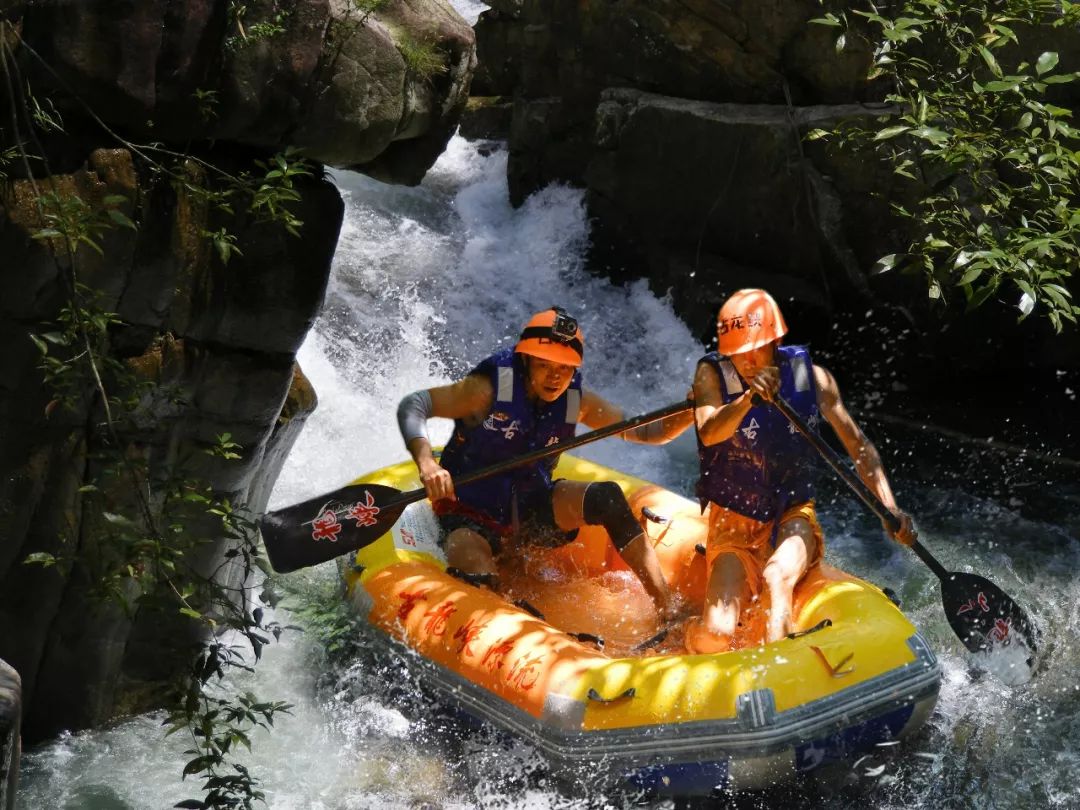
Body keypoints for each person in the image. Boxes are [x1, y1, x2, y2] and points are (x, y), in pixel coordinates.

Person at [396, 307, 694, 619]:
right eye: (544, 364)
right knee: (479, 575)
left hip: (528, 509)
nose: (555, 376)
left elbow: (649, 431)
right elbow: (414, 405)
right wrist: (427, 463)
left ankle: (665, 605)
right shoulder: (487, 389)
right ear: (525, 361)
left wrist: (689, 411)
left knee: (607, 496)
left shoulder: (575, 401)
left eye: (565, 368)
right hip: (469, 515)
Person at [685, 289, 916, 653]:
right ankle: (683, 634)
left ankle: (781, 670)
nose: (746, 359)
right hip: (732, 524)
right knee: (716, 634)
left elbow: (859, 447)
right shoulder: (710, 376)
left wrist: (890, 508)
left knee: (777, 577)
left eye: (755, 348)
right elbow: (710, 431)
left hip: (793, 513)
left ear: (776, 341)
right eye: (737, 351)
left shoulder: (814, 380)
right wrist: (748, 400)